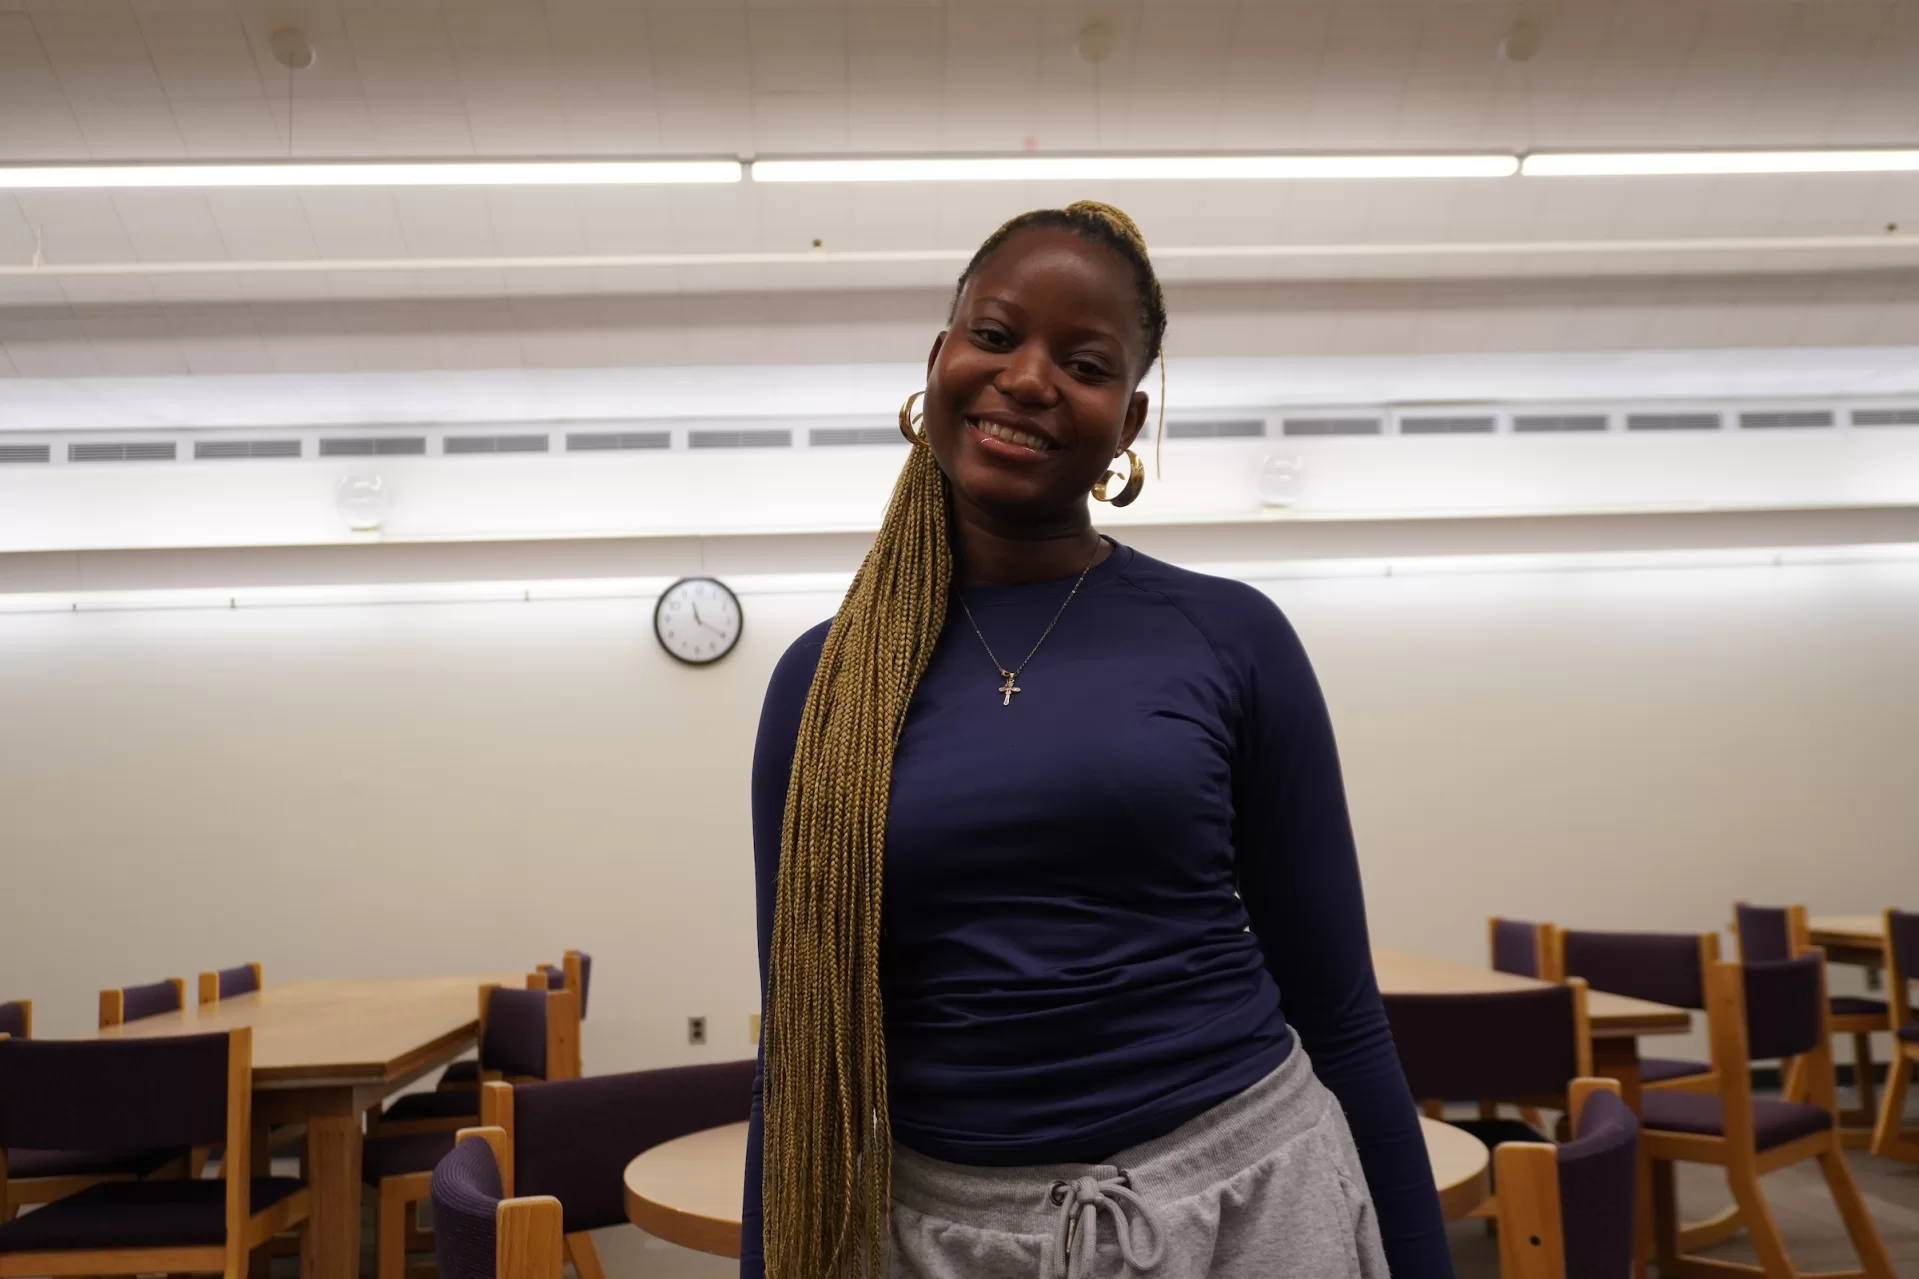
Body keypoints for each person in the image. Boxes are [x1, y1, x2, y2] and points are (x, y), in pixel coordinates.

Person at [743, 201, 1451, 1279]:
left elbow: (1340, 1014)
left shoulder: (1232, 636)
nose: (1027, 379)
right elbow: (795, 1052)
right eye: (994, 335)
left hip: (1250, 1208)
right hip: (944, 1237)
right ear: (937, 361)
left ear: (1128, 422)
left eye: (1082, 362)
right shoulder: (821, 683)